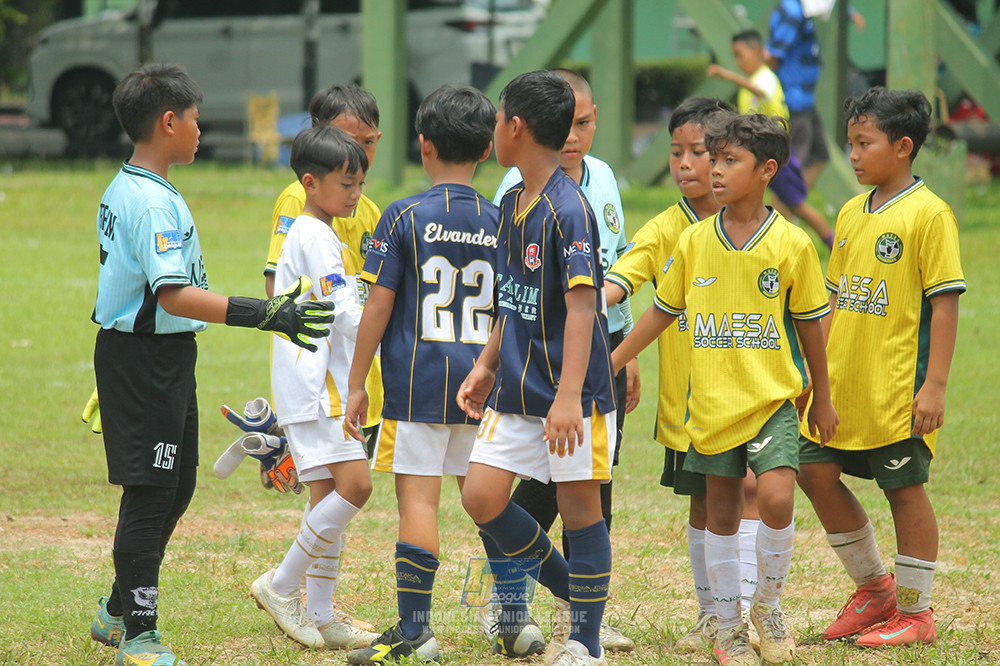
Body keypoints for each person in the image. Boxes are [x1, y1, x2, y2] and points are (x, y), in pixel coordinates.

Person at [87, 63, 333, 666]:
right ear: (168, 122)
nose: (200, 129)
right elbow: (172, 295)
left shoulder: (135, 185)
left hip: (158, 356)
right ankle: (138, 635)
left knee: (177, 484)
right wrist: (264, 312)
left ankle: (117, 609)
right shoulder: (151, 203)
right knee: (150, 493)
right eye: (194, 119)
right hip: (145, 358)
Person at [611, 112, 838, 666]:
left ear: (766, 171)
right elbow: (663, 311)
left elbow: (811, 325)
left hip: (772, 401)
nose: (714, 169)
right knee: (721, 516)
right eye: (714, 158)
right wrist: (612, 360)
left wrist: (823, 394)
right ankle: (729, 628)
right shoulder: (692, 241)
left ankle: (769, 607)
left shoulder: (792, 244)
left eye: (727, 160)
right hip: (710, 406)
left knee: (779, 496)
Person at [339, 84, 511, 664]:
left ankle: (416, 631)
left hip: (419, 386)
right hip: (486, 388)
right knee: (489, 505)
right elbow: (516, 310)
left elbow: (379, 305)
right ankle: (515, 621)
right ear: (487, 149)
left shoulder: (402, 215)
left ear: (423, 145)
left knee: (419, 504)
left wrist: (358, 380)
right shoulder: (502, 220)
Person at [457, 69, 618, 666]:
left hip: (571, 394)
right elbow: (510, 297)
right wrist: (485, 364)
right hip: (516, 388)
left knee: (581, 513)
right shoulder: (512, 200)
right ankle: (575, 592)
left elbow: (582, 310)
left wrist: (569, 396)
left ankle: (586, 641)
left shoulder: (569, 209)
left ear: (515, 127)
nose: (495, 128)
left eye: (499, 118)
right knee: (481, 496)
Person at [795, 87, 965, 648]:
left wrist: (934, 385)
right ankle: (875, 589)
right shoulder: (849, 212)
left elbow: (944, 304)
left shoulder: (929, 214)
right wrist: (814, 376)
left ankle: (917, 614)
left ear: (903, 147)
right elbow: (837, 298)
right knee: (814, 471)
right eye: (850, 143)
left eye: (865, 143)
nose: (854, 155)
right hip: (843, 385)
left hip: (897, 389)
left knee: (905, 491)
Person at [603, 96, 763, 653]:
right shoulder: (667, 228)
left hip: (756, 395)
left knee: (752, 491)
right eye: (677, 152)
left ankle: (748, 611)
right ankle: (714, 613)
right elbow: (626, 273)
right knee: (704, 503)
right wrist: (591, 299)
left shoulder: (763, 229)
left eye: (702, 152)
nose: (690, 164)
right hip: (691, 405)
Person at [249, 125, 378, 651]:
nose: (356, 193)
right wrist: (381, 338)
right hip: (320, 386)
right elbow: (344, 312)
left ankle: (322, 612)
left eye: (360, 182)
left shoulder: (312, 233)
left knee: (327, 497)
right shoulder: (316, 235)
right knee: (357, 487)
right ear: (311, 182)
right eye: (347, 184)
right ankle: (280, 586)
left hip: (307, 385)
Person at [265, 84, 384, 455]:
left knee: (350, 477)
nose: (358, 152)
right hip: (323, 366)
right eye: (348, 141)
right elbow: (278, 286)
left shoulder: (367, 207)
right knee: (346, 482)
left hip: (360, 359)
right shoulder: (299, 199)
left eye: (368, 142)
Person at [709, 29, 834, 249]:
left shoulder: (764, 77)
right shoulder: (754, 80)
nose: (738, 63)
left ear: (756, 50)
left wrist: (727, 76)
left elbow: (760, 91)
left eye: (740, 55)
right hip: (756, 155)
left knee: (797, 206)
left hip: (773, 153)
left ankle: (835, 246)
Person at [767, 0, 829, 188]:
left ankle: (794, 206)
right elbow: (772, 55)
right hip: (793, 100)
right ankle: (784, 209)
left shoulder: (806, 11)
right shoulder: (793, 12)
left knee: (820, 154)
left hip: (805, 100)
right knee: (789, 165)